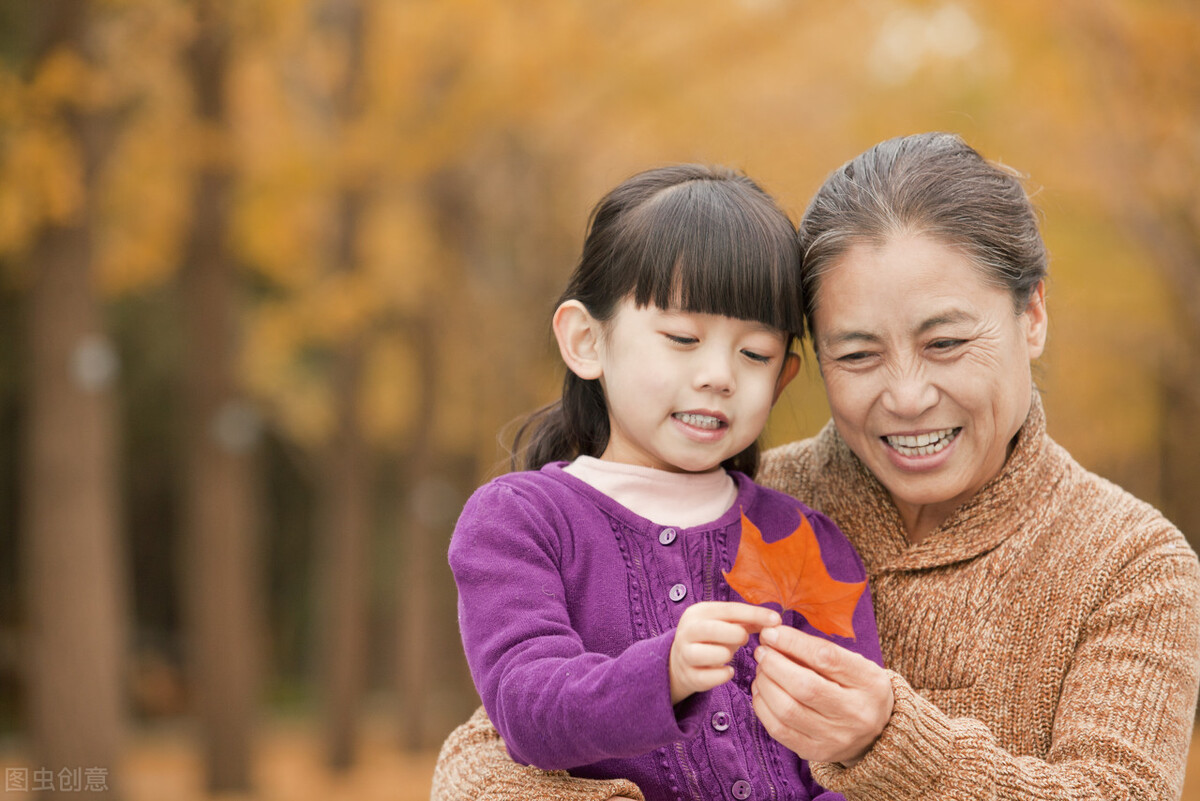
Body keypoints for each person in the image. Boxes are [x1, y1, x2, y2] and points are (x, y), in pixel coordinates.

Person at [432, 133, 1200, 801]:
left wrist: (891, 742)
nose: (906, 395)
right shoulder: (740, 501)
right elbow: (486, 750)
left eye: (945, 343)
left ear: (1031, 315)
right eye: (858, 353)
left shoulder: (1133, 564)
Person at [447, 164, 883, 801]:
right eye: (683, 337)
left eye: (754, 354)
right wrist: (663, 672)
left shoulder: (803, 537)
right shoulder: (521, 521)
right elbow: (526, 708)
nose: (718, 376)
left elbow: (851, 757)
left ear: (783, 377)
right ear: (586, 341)